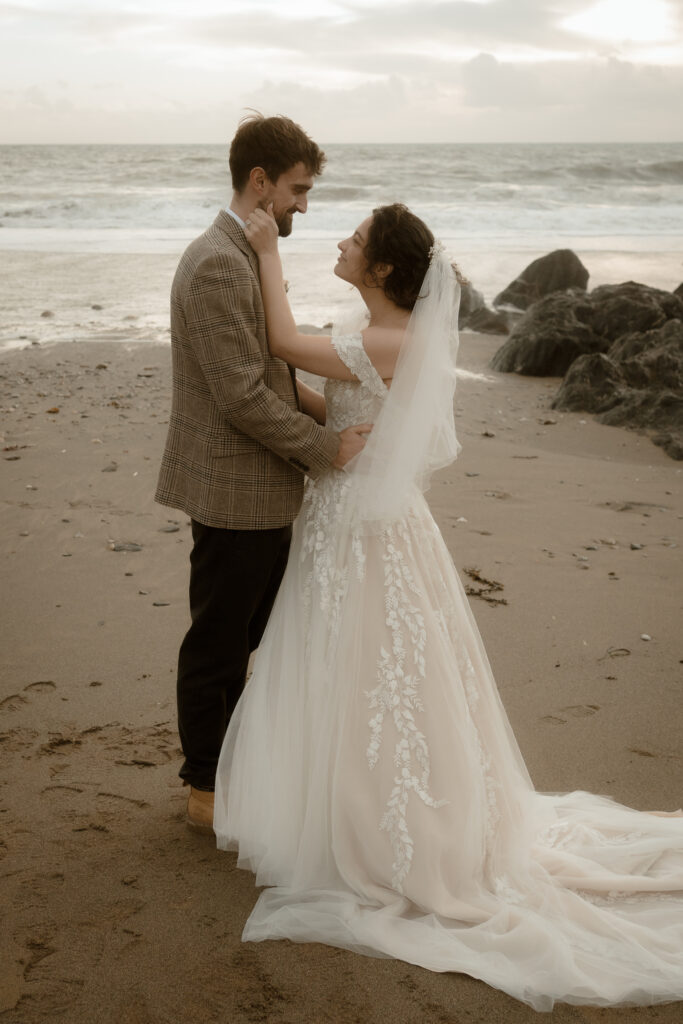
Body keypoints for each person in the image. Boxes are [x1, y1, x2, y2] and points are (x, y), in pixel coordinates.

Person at [213, 201, 683, 1012]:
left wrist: (261, 251)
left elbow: (288, 343)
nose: (340, 242)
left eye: (355, 240)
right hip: (355, 517)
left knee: (373, 674)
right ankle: (345, 815)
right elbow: (349, 410)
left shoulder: (389, 338)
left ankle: (383, 836)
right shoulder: (387, 342)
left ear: (385, 269)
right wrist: (312, 411)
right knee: (358, 672)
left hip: (365, 530)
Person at [155, 113, 371, 832]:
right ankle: (205, 791)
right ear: (259, 182)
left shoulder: (246, 247)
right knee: (218, 641)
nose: (304, 205)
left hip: (259, 485)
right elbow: (241, 395)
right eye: (297, 190)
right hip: (233, 487)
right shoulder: (218, 261)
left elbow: (271, 370)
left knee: (246, 636)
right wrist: (326, 449)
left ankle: (231, 770)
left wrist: (327, 416)